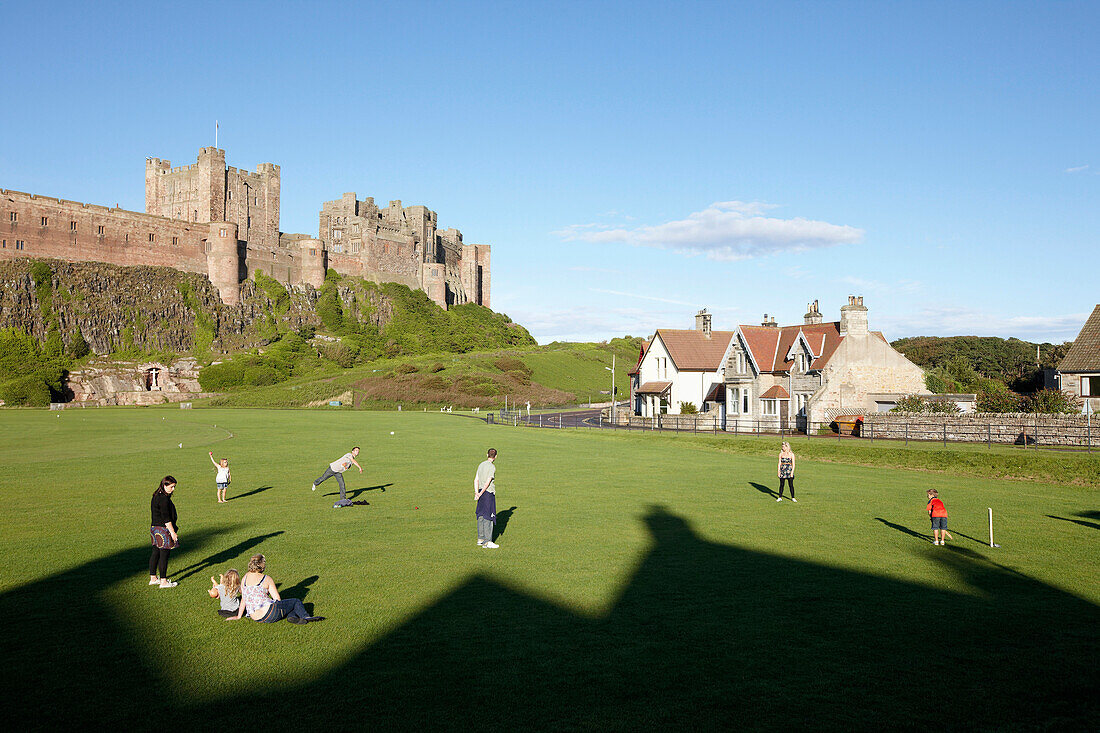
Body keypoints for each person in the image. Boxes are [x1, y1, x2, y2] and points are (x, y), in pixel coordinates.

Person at [229, 554, 323, 624]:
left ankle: (292, 617)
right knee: (295, 602)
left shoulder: (245, 577)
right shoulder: (266, 579)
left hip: (256, 617)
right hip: (270, 613)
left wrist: (238, 616)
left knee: (288, 607)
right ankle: (306, 616)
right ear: (262, 565)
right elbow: (277, 599)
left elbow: (244, 598)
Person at [149, 475, 180, 588]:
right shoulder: (163, 499)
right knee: (164, 555)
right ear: (165, 485)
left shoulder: (156, 496)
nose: (173, 489)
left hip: (154, 528)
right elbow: (166, 518)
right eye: (171, 487)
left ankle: (153, 578)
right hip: (163, 529)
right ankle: (163, 581)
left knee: (156, 552)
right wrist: (172, 532)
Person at [474, 448, 499, 548]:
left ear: (487, 455)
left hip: (480, 492)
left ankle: (480, 539)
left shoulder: (481, 464)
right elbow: (488, 481)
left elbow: (476, 479)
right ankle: (488, 541)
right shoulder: (492, 467)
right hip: (488, 493)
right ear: (496, 456)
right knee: (488, 516)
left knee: (480, 515)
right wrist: (481, 493)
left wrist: (477, 492)